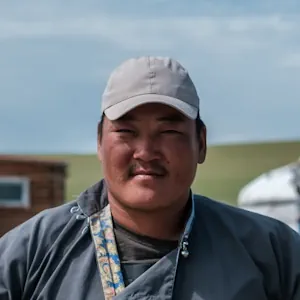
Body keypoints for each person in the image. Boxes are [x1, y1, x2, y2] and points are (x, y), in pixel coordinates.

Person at [1, 56, 300, 300]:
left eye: (169, 132)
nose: (145, 152)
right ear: (99, 143)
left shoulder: (272, 253)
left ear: (202, 143)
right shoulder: (32, 255)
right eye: (126, 132)